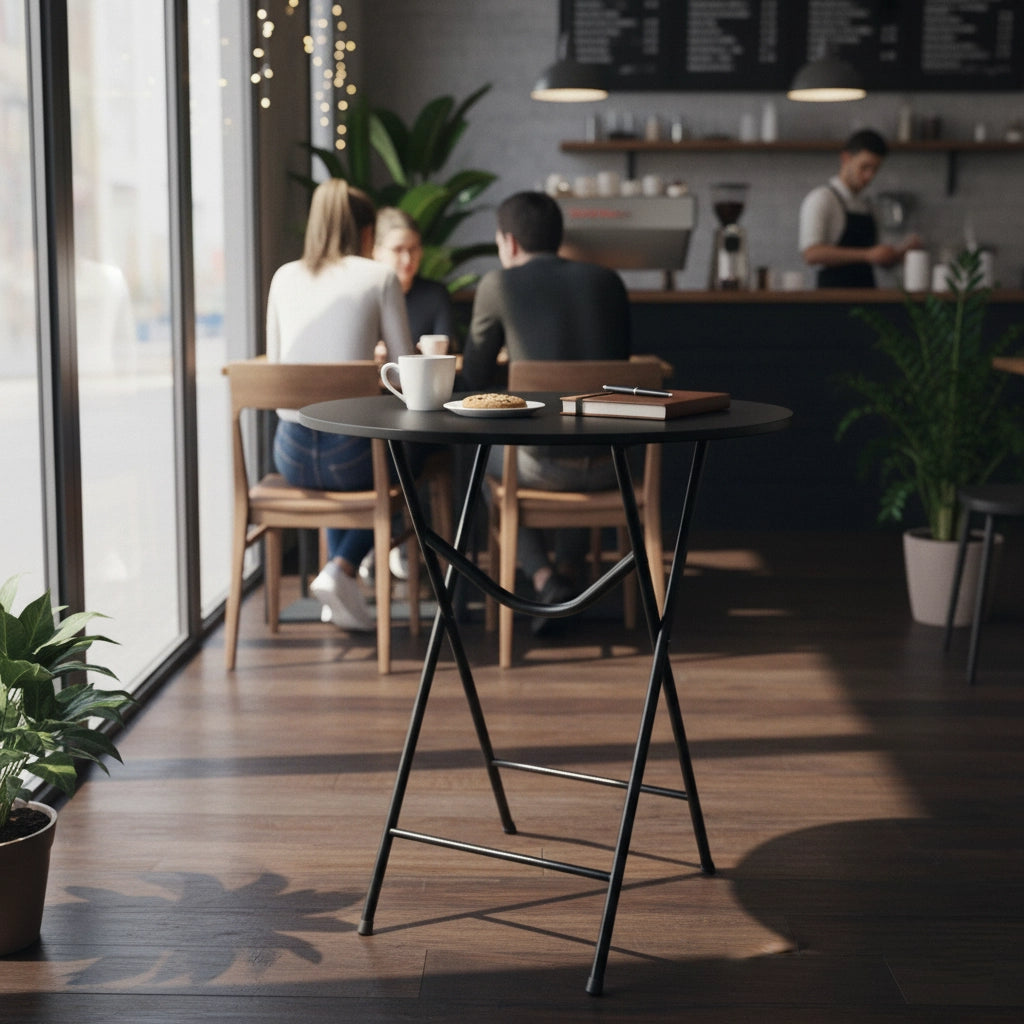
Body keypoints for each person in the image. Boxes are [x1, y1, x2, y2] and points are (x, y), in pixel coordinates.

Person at [461, 190, 632, 631]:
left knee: (488, 463)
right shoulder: (608, 282)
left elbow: (476, 375)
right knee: (578, 427)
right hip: (615, 465)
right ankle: (570, 576)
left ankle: (543, 578)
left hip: (542, 471)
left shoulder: (498, 284)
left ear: (509, 243)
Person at [266, 178, 415, 631]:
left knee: (351, 442)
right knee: (403, 458)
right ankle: (341, 567)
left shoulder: (283, 276)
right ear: (367, 232)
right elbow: (408, 372)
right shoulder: (379, 276)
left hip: (289, 453)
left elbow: (275, 368)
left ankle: (339, 581)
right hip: (348, 457)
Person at [799, 128, 921, 288]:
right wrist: (867, 255)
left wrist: (899, 254)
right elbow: (812, 254)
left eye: (875, 170)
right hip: (832, 297)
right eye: (864, 167)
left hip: (867, 294)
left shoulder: (868, 205)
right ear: (846, 159)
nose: (869, 176)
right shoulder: (822, 198)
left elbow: (875, 257)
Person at [373, 207, 456, 345]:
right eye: (398, 250)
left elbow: (447, 348)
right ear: (377, 252)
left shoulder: (435, 294)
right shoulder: (364, 296)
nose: (407, 259)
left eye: (413, 249)